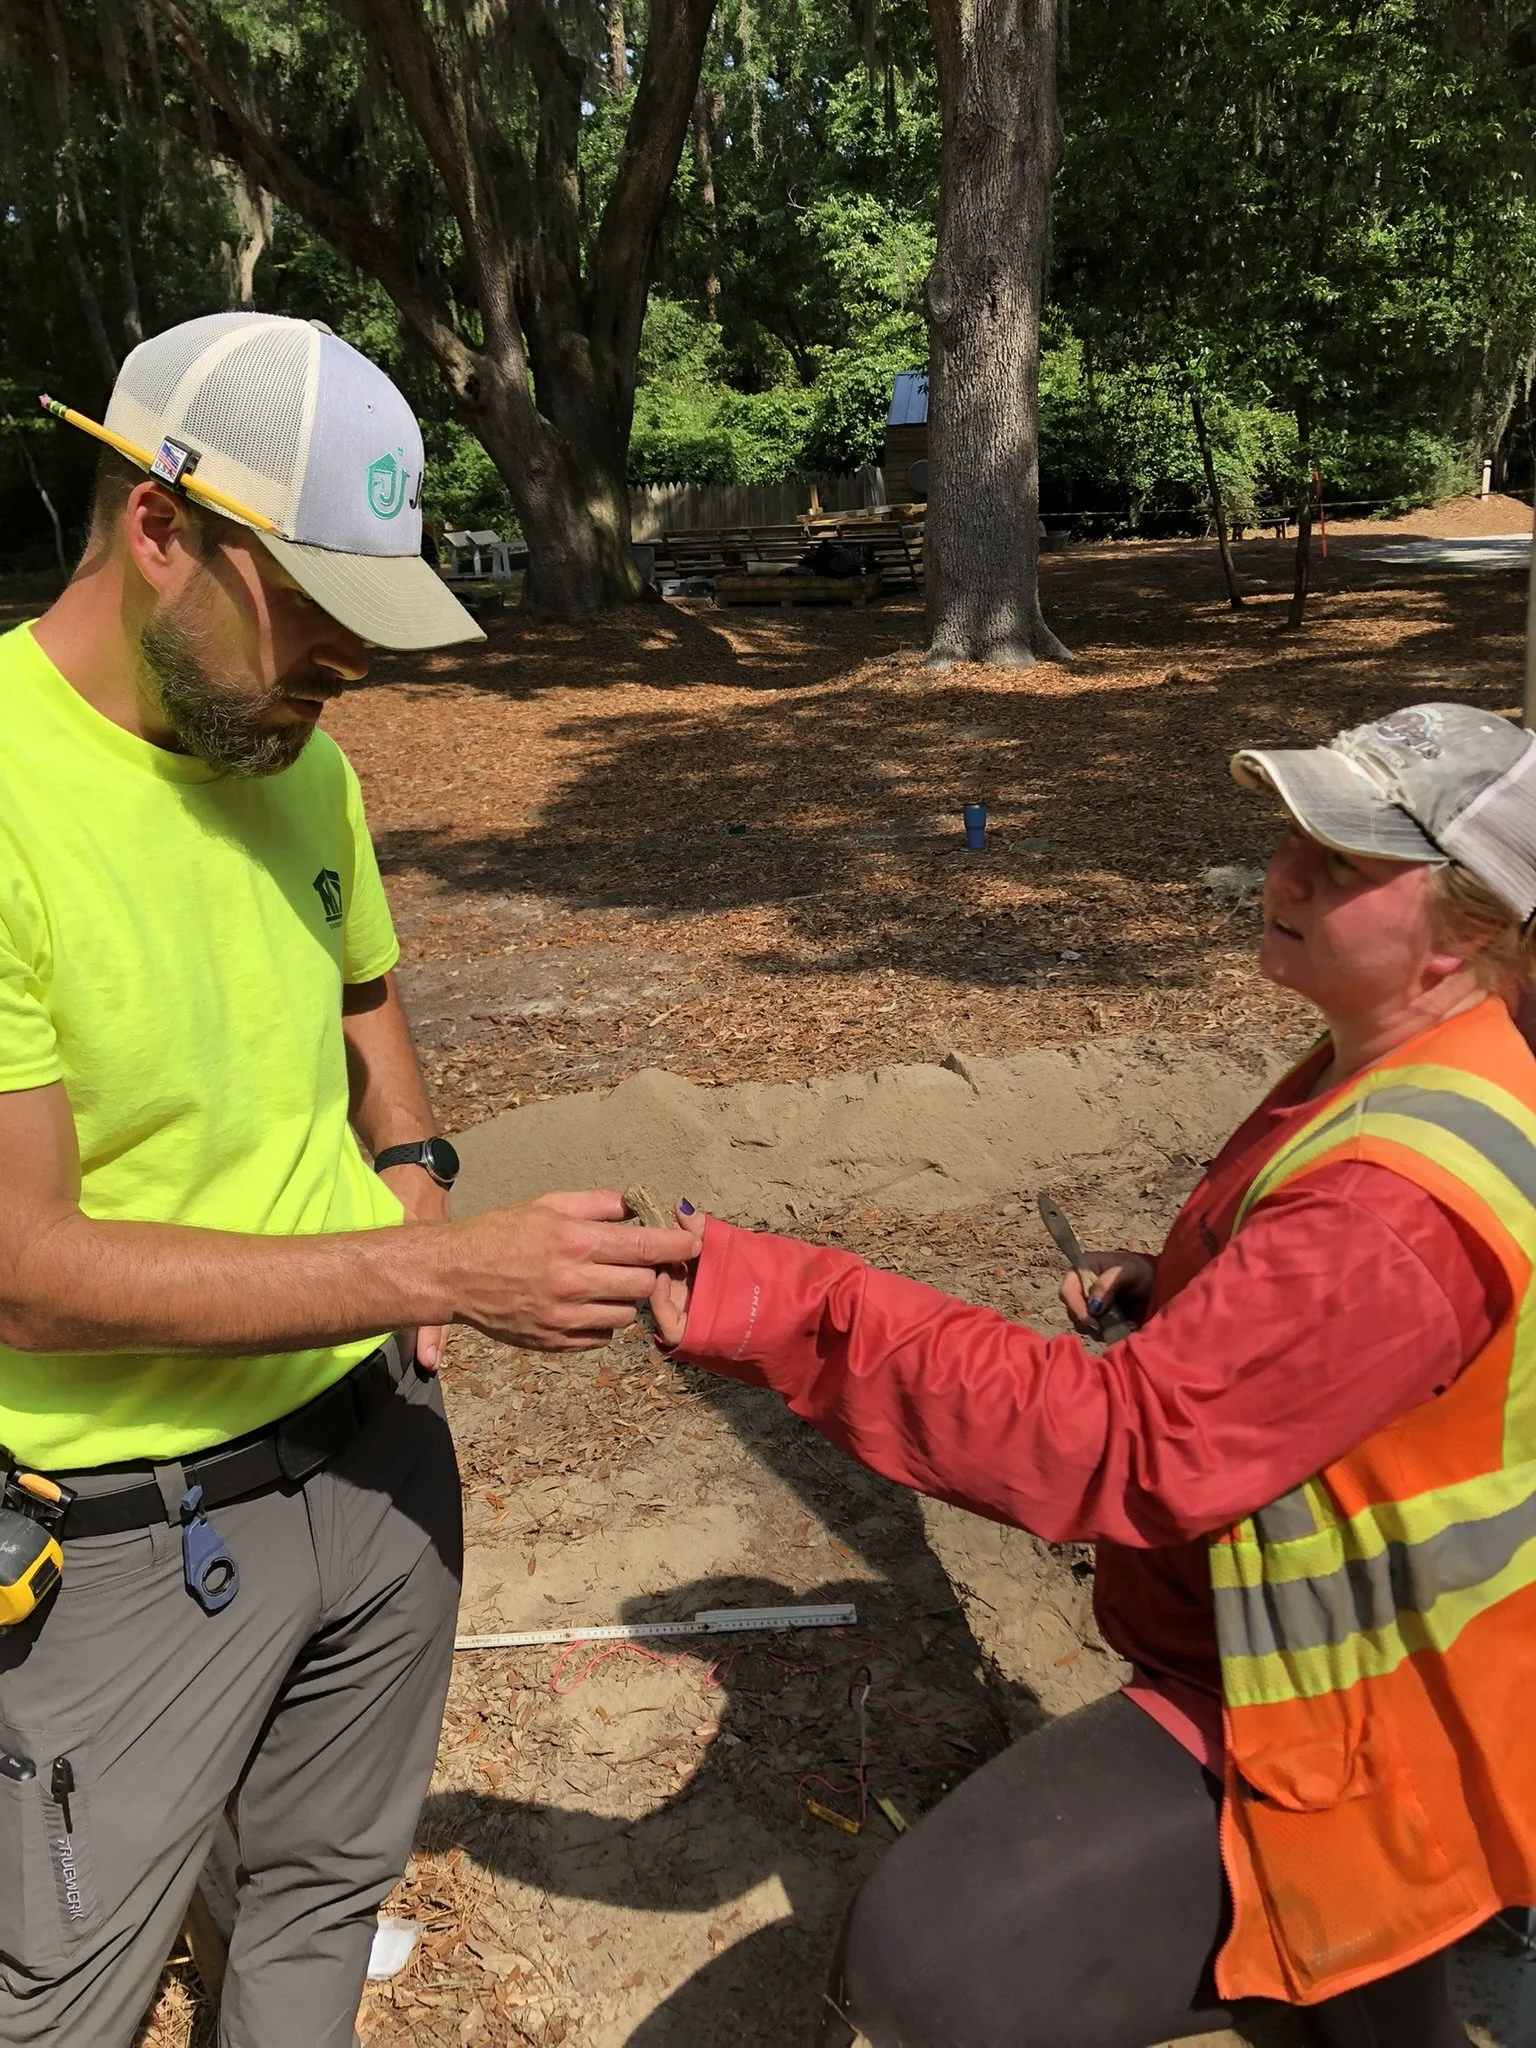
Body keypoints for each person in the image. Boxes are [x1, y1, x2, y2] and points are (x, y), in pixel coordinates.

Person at [0, 312, 696, 2047]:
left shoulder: (299, 762)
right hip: (128, 1535)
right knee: (61, 1998)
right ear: (160, 529)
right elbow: (19, 1268)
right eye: (312, 607)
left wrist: (412, 1167)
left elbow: (358, 980)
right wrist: (441, 1278)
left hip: (374, 1457)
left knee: (317, 1902)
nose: (349, 668)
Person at [652, 702, 1536, 2048]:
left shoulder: (1391, 1201)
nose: (1282, 876)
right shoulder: (1399, 1068)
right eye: (1293, 839)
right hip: (1341, 1682)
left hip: (1346, 1726)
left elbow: (1117, 1446)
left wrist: (785, 1302)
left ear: (1472, 924)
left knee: (940, 1959)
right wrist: (1187, 1296)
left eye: (1343, 865)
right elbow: (1335, 1330)